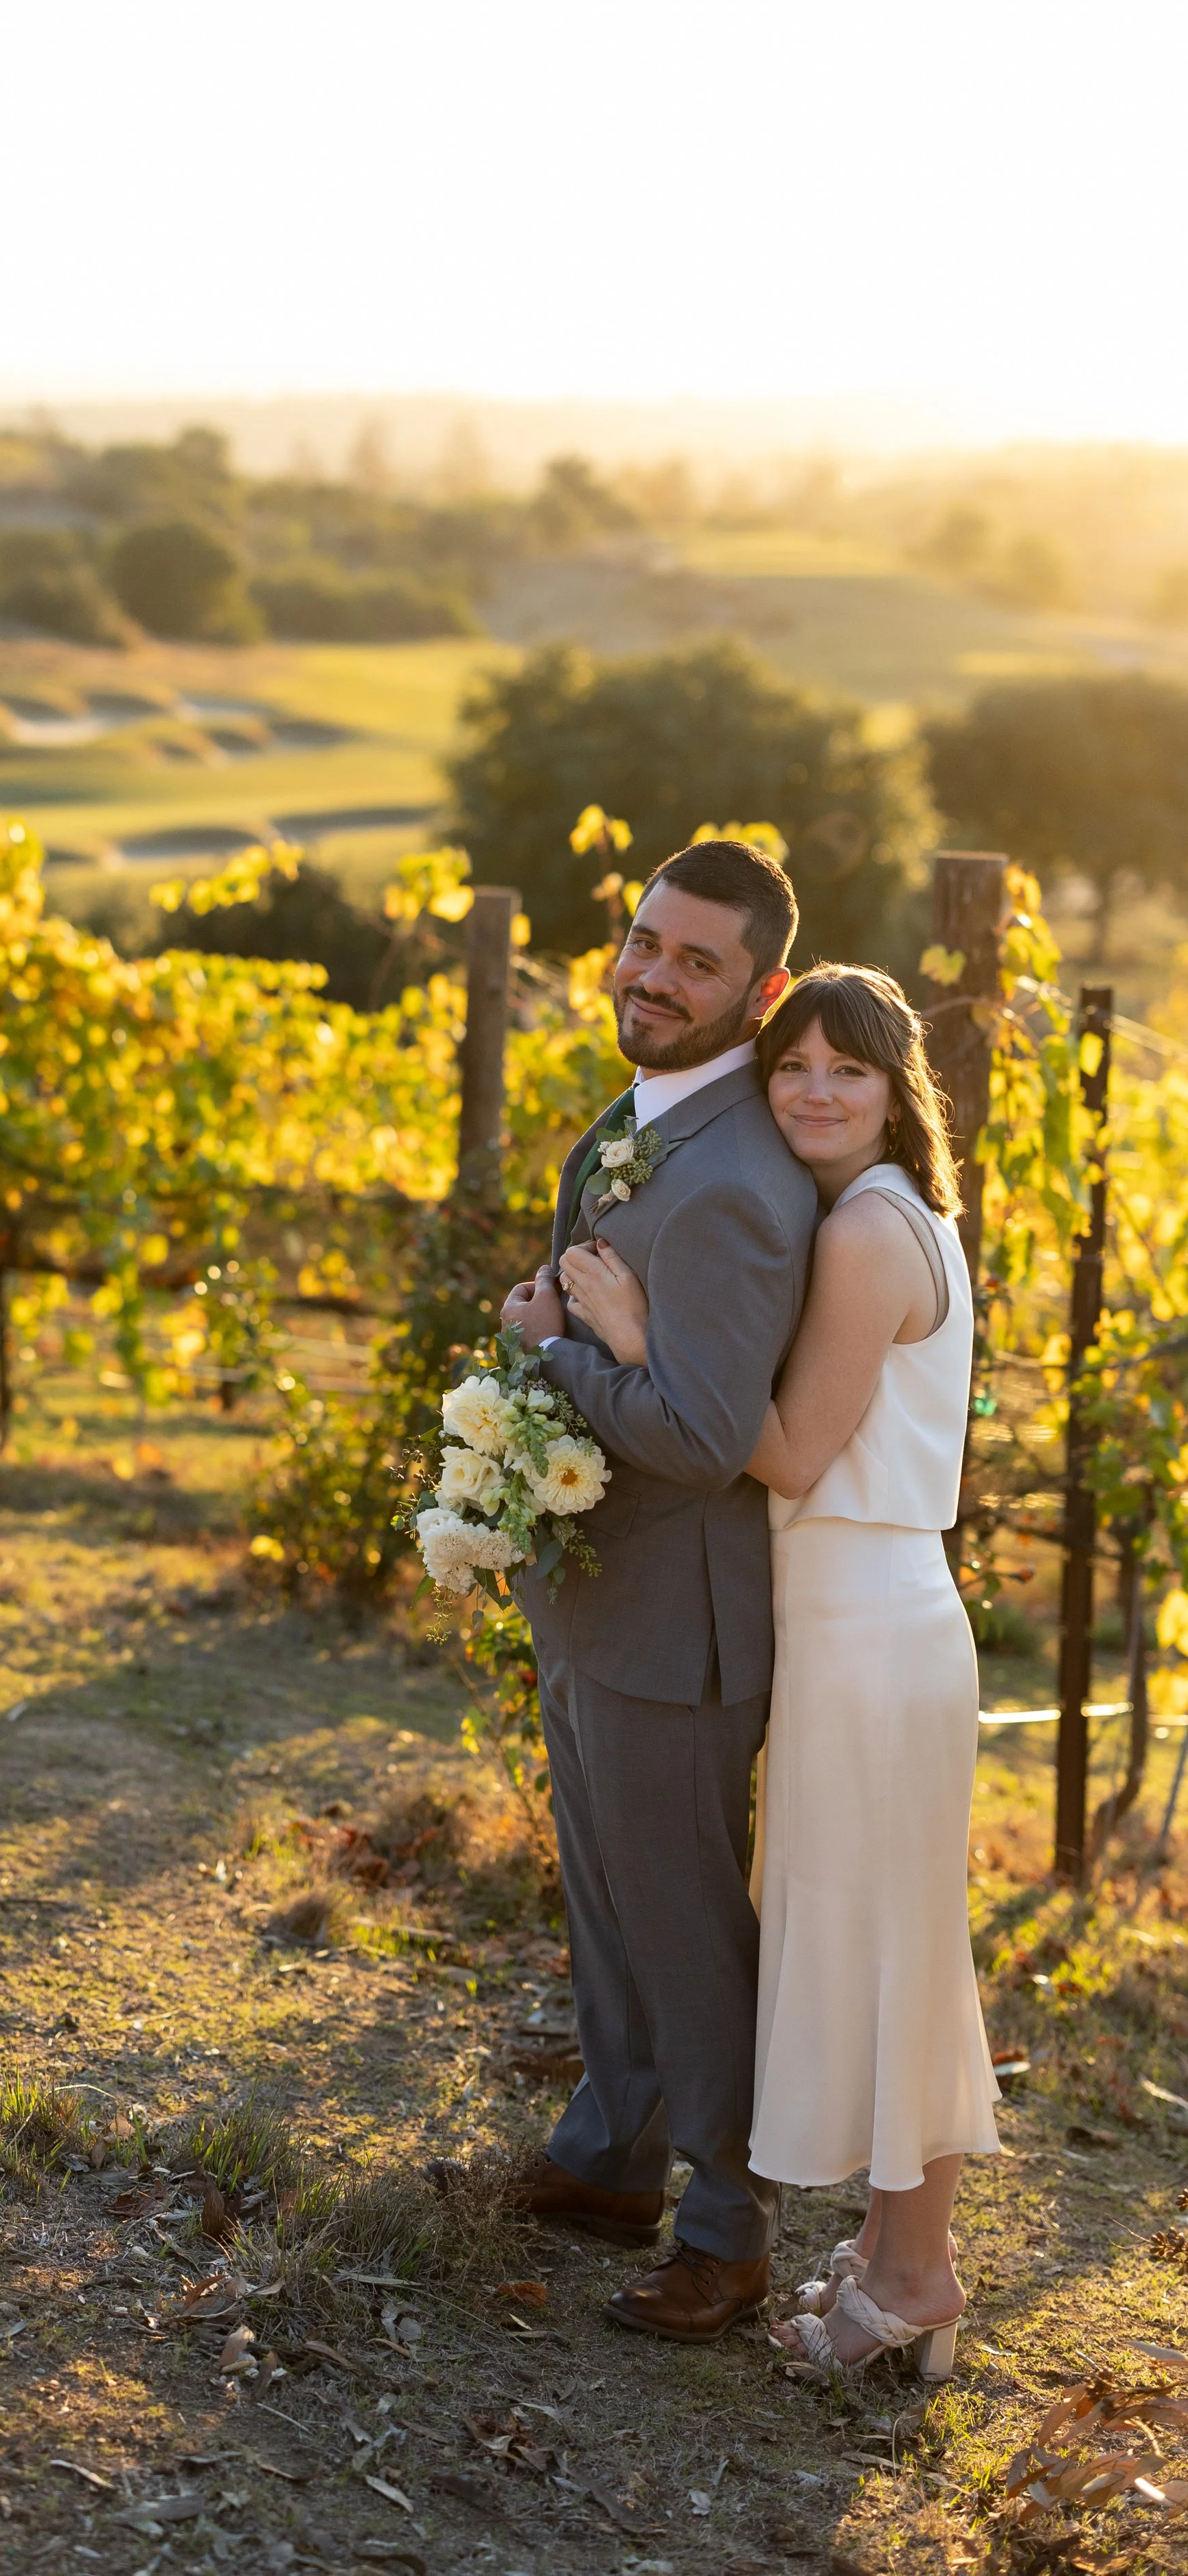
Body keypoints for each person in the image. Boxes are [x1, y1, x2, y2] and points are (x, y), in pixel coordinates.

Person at [571, 962, 1000, 2382]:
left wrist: (633, 1342)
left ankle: (913, 2279)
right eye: (791, 1067)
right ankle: (888, 2256)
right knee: (881, 1951)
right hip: (854, 1625)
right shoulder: (884, 1214)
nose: (811, 1090)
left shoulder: (870, 1234)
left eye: (847, 1072)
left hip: (868, 1631)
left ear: (894, 1095)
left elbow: (790, 1452)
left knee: (894, 1961)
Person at [497, 837, 818, 2345]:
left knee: (682, 1923)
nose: (652, 975)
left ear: (756, 992)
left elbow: (698, 1437)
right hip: (593, 1591)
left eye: (695, 962)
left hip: (678, 1623)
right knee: (606, 1897)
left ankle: (723, 2229)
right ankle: (609, 2155)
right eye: (643, 942)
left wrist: (548, 1356)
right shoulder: (638, 1125)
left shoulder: (744, 1182)